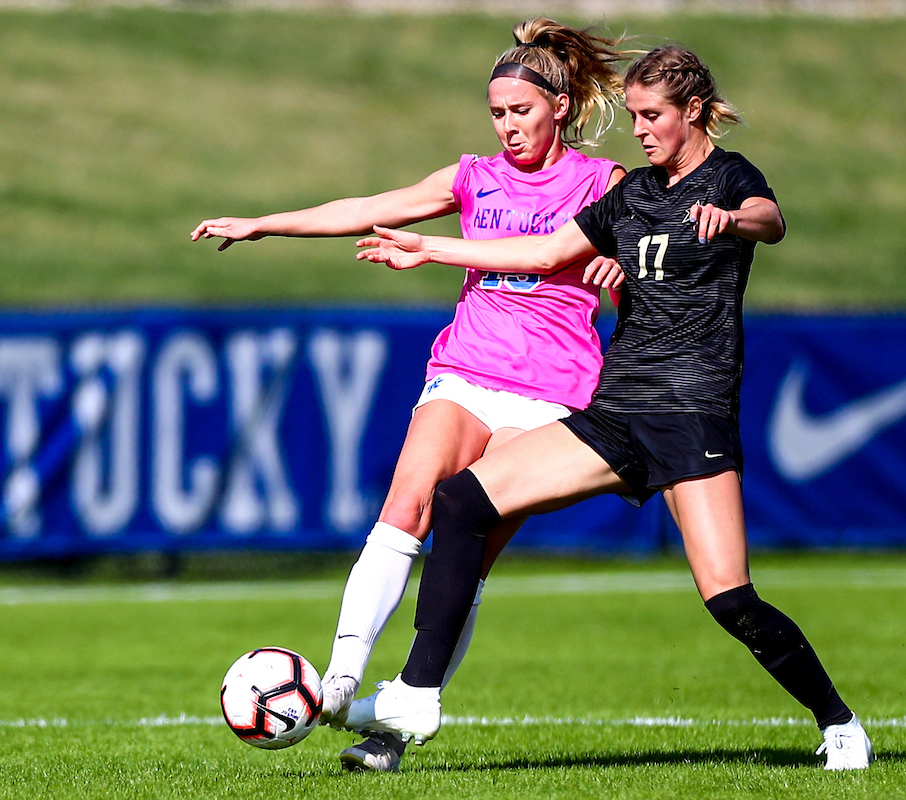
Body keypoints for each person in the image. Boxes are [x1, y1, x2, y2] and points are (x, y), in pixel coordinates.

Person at [349, 44, 873, 772]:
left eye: (653, 115)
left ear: (693, 110)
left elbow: (770, 219)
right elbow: (541, 255)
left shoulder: (729, 177)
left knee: (729, 599)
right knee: (461, 501)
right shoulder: (632, 195)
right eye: (633, 115)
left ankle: (839, 724)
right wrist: (430, 249)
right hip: (616, 413)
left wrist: (732, 220)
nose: (641, 129)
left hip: (690, 417)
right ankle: (415, 694)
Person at [192, 19, 631, 772]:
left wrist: (624, 275)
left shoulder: (604, 184)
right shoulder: (474, 176)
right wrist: (267, 224)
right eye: (496, 112)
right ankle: (338, 683)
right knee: (407, 504)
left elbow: (651, 277)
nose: (507, 126)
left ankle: (392, 731)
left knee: (468, 558)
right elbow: (369, 206)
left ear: (560, 107)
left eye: (520, 111)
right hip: (467, 370)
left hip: (553, 392)